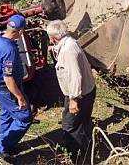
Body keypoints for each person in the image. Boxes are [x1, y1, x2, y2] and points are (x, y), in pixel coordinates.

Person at [46, 20, 96, 162]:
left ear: (52, 37)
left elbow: (75, 76)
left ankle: (77, 157)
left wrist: (74, 100)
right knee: (83, 121)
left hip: (79, 94)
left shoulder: (68, 51)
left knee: (70, 126)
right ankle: (87, 146)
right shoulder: (68, 43)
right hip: (86, 91)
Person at [0, 14, 33, 163]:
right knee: (25, 117)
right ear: (20, 32)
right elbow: (8, 78)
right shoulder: (9, 50)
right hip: (9, 89)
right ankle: (3, 145)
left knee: (6, 115)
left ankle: (3, 144)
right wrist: (20, 97)